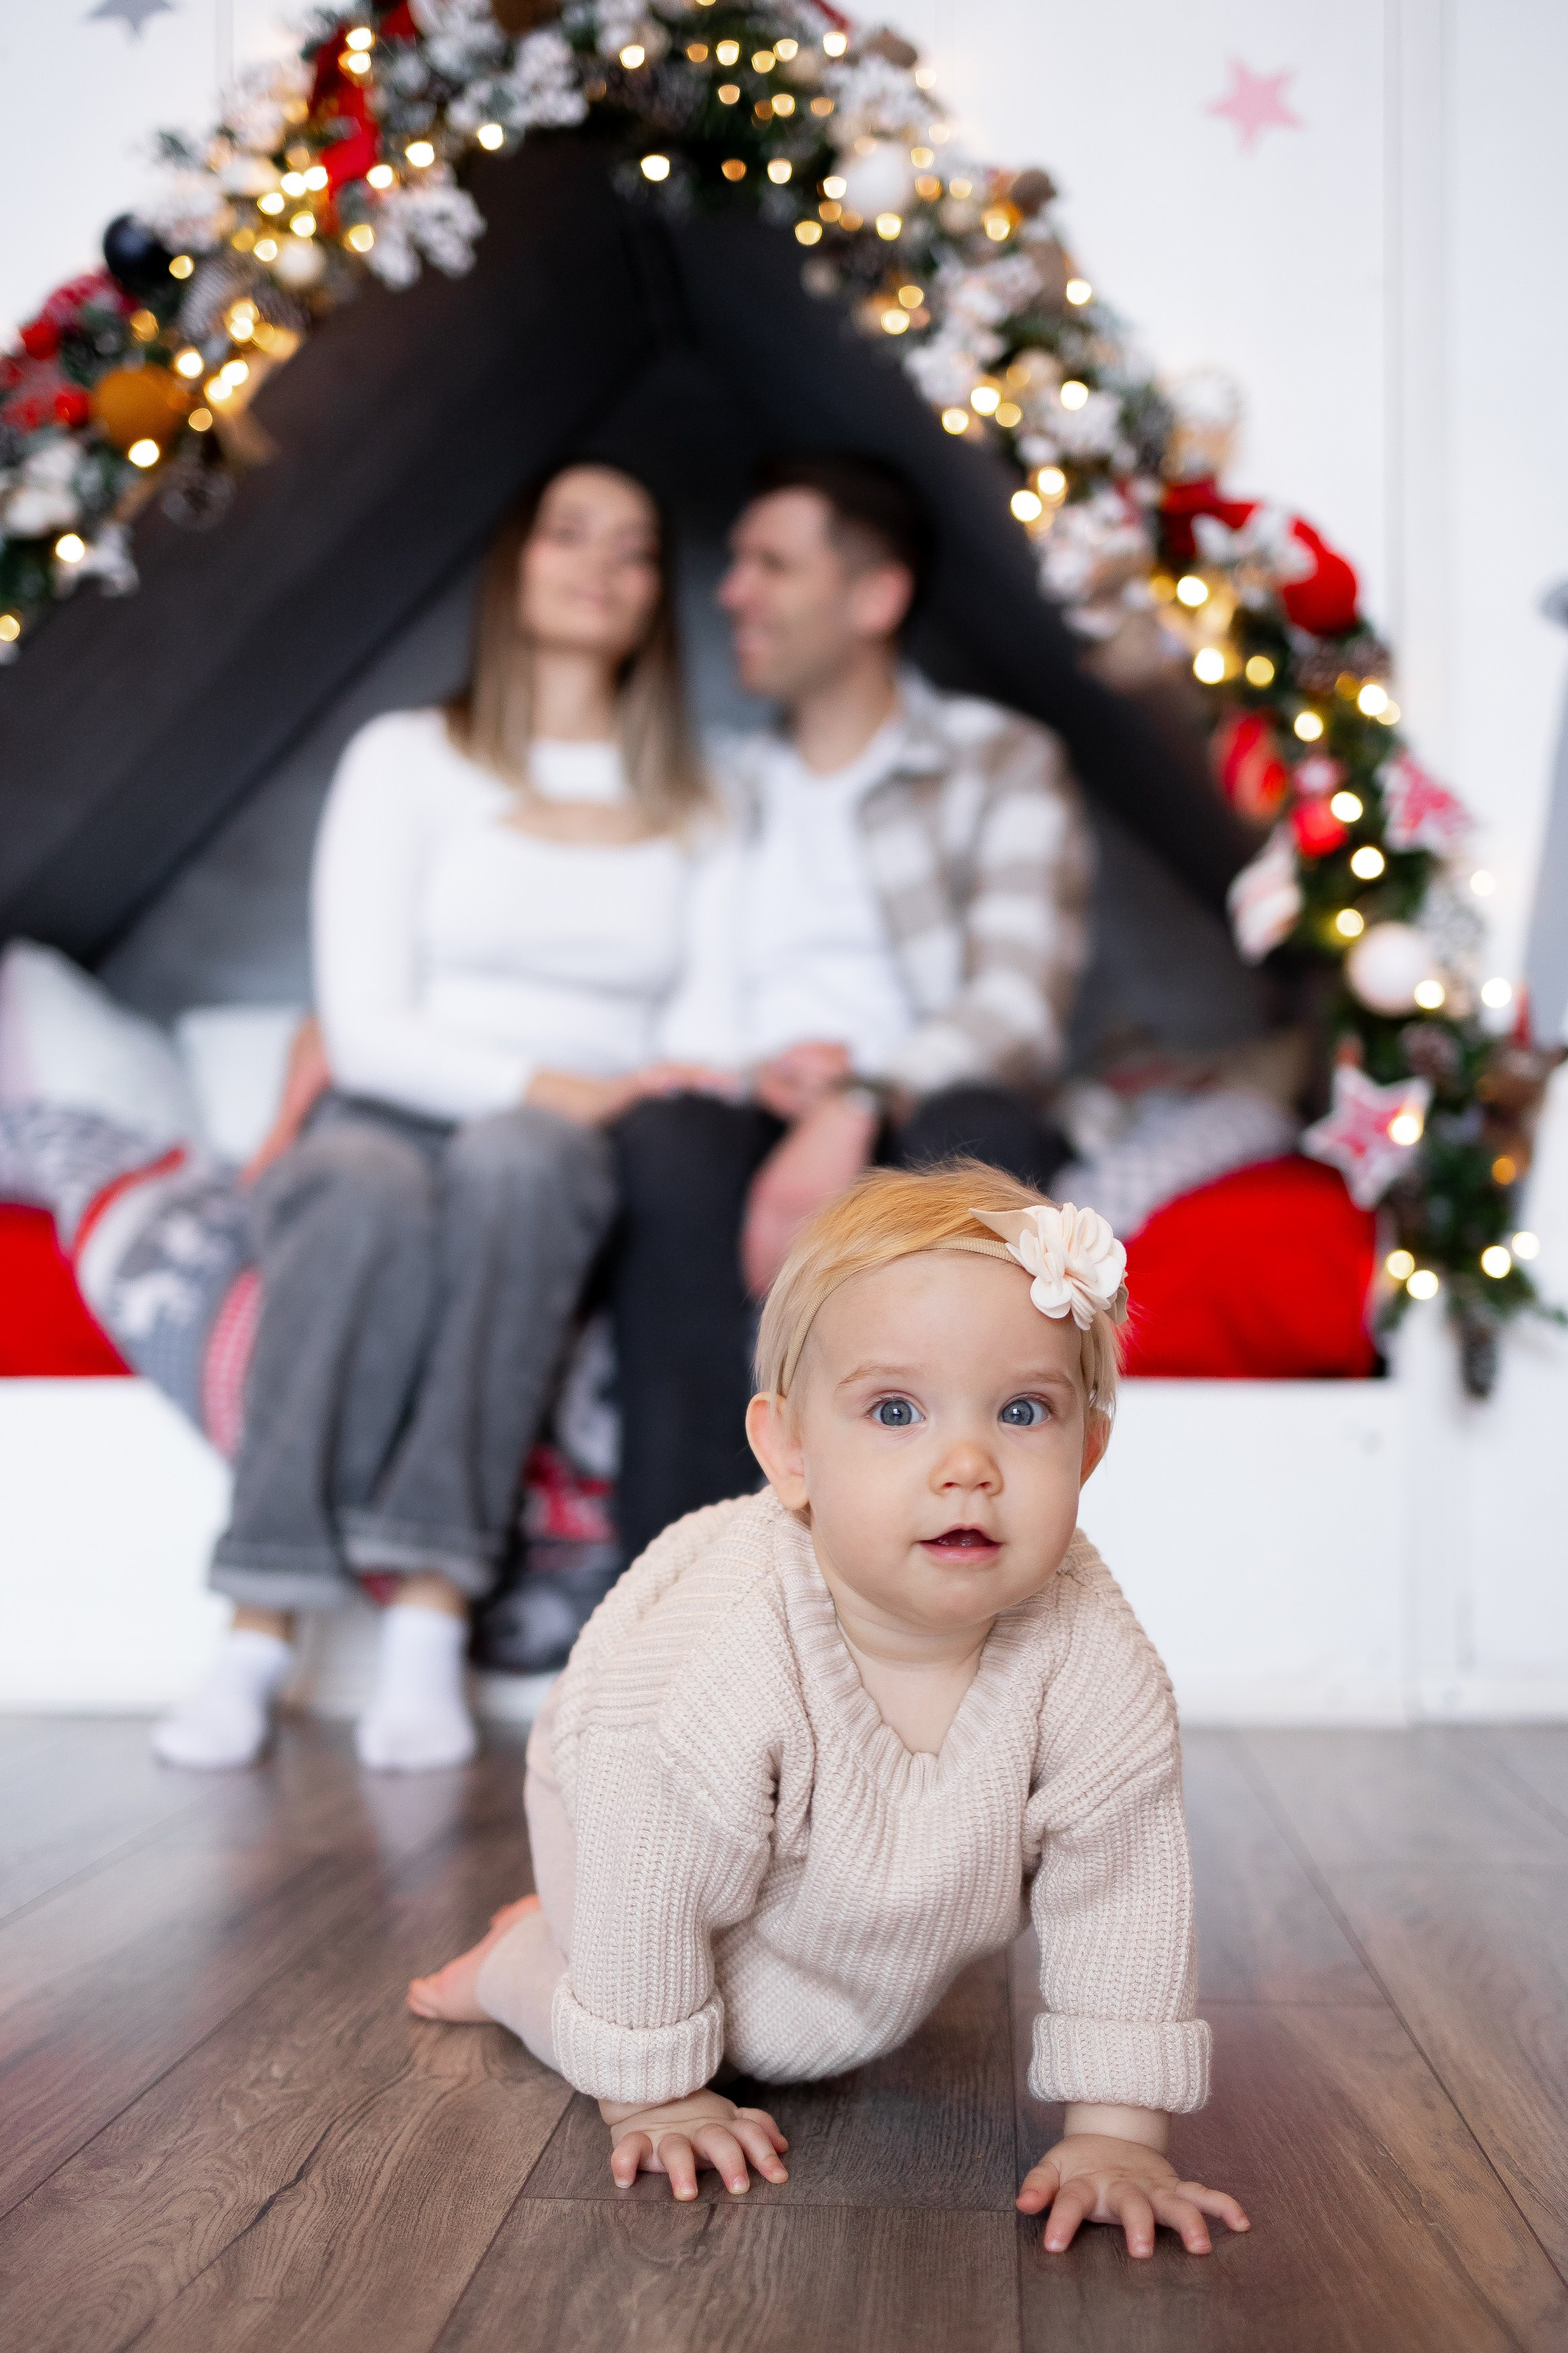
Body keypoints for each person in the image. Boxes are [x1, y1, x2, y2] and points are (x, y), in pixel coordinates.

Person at [406, 1164, 1248, 2260]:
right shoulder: (715, 1659)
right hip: (630, 1832)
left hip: (846, 1923)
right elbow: (646, 1869)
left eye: (1022, 1411)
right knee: (651, 2000)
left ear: (1087, 1449)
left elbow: (1124, 1887)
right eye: (895, 1411)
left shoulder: (1091, 1654)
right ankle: (522, 1962)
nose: (966, 1466)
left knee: (799, 2031)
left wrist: (1116, 2138)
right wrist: (654, 2097)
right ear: (790, 1452)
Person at [153, 461, 720, 1775]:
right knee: (364, 1190)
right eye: (570, 534)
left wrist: (598, 1099)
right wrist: (550, 1080)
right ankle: (257, 1625)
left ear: (655, 595)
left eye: (635, 548)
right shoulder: (405, 758)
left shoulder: (701, 800)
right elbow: (366, 1027)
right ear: (515, 565)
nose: (601, 565)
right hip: (389, 1108)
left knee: (524, 1164)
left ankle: (431, 1609)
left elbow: (701, 1025)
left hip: (567, 1144)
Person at [610, 451, 1095, 1564]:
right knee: (666, 1144)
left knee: (981, 1136)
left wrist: (859, 1097)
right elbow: (672, 1005)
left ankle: (938, 1562)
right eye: (735, 563)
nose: (731, 591)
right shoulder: (721, 786)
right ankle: (687, 1587)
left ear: (875, 597)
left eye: (771, 565)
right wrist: (760, 1077)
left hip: (920, 1098)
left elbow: (1019, 1006)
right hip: (752, 1105)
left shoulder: (997, 760)